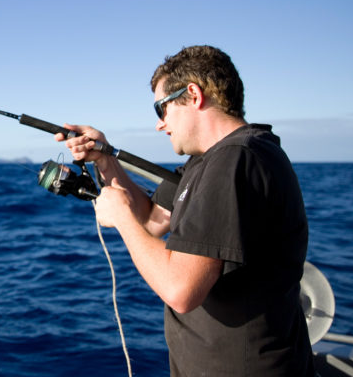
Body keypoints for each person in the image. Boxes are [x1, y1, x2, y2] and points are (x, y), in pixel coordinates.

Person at [57, 45, 314, 376]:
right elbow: (151, 221)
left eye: (161, 109)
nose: (160, 125)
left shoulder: (234, 160)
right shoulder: (208, 161)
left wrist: (120, 217)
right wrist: (105, 160)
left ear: (193, 95)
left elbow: (181, 289)